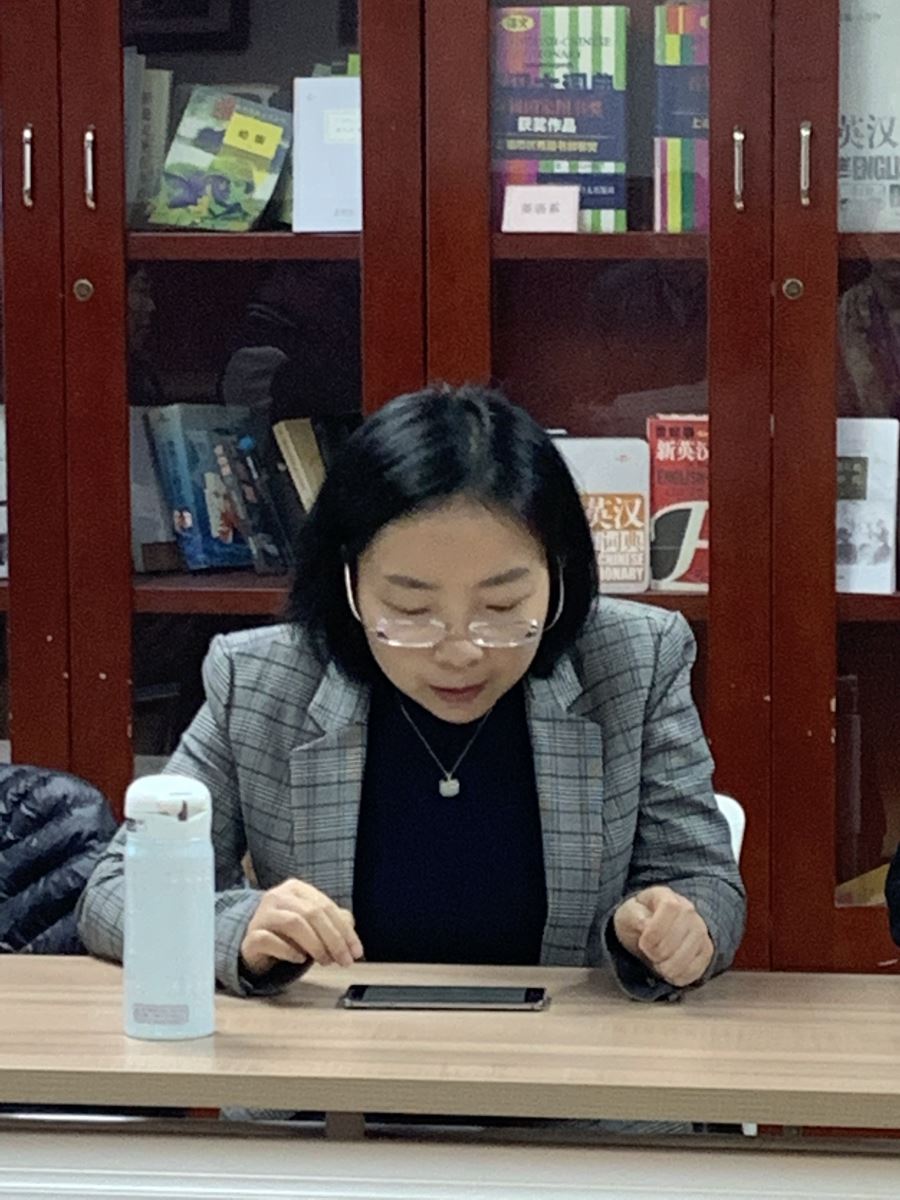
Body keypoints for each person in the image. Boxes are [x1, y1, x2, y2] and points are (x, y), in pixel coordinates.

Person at [78, 385, 746, 1002]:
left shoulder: (633, 660)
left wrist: (673, 928)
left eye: (502, 606)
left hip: (568, 1073)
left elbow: (705, 881)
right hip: (334, 1076)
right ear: (349, 583)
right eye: (411, 609)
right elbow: (113, 893)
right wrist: (241, 928)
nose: (460, 650)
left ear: (559, 574)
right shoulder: (261, 680)